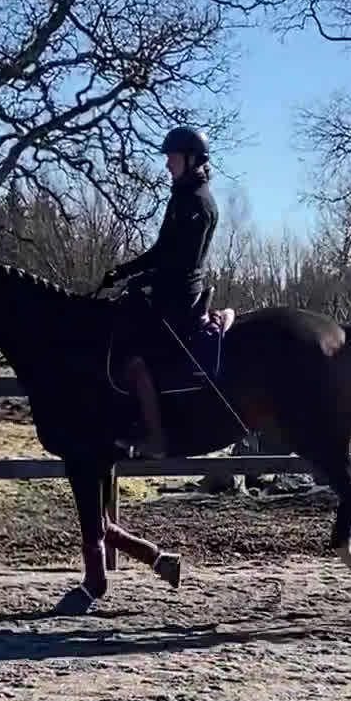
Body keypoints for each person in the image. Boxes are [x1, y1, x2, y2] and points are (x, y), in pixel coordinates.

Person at [100, 125, 219, 458]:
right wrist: (123, 272)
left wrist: (146, 280)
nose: (167, 164)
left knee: (136, 360)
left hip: (179, 297)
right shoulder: (183, 197)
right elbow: (160, 251)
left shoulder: (198, 203)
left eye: (172, 158)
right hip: (169, 290)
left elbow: (181, 262)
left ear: (191, 159)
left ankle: (155, 436)